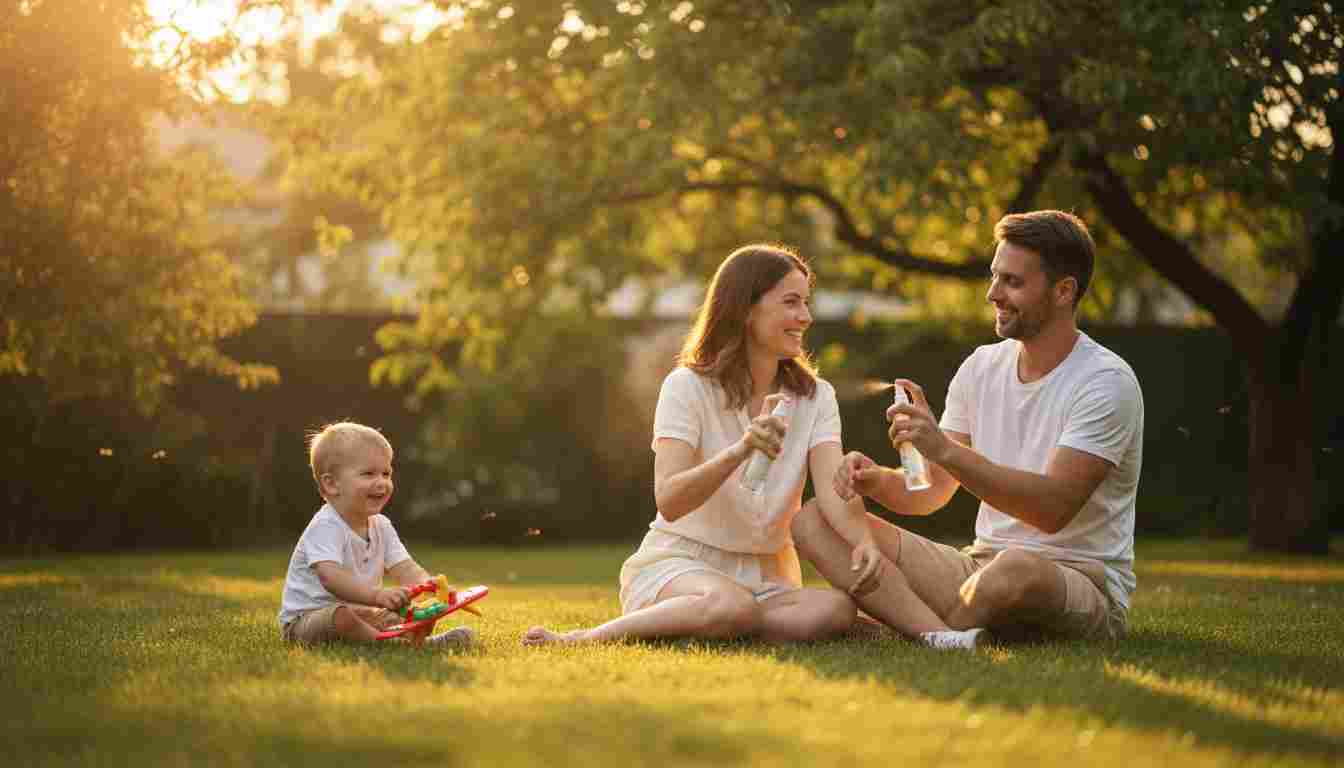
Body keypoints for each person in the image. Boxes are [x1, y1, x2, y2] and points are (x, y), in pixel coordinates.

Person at [791, 210, 1143, 649]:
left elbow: (1052, 509)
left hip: (1076, 580)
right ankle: (942, 634)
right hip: (977, 570)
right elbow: (930, 491)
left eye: (1013, 282)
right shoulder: (981, 367)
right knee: (815, 519)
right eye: (994, 277)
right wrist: (876, 480)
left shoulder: (1105, 381)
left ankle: (915, 626)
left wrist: (943, 449)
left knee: (1016, 569)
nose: (994, 293)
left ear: (1063, 291)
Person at [523, 244, 882, 645]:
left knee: (836, 610)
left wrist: (861, 539)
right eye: (791, 302)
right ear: (746, 310)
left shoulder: (817, 397)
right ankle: (588, 637)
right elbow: (670, 499)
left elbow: (833, 490)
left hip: (767, 575)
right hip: (683, 564)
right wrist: (741, 449)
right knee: (734, 607)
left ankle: (705, 626)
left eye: (806, 303)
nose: (806, 316)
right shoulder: (687, 387)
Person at [277, 421, 475, 648]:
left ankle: (419, 642)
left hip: (360, 611)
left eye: (386, 473)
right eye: (369, 473)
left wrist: (429, 586)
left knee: (406, 615)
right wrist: (377, 596)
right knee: (341, 616)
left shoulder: (381, 525)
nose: (382, 482)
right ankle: (393, 645)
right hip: (307, 621)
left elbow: (405, 568)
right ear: (332, 484)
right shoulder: (326, 526)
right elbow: (330, 578)